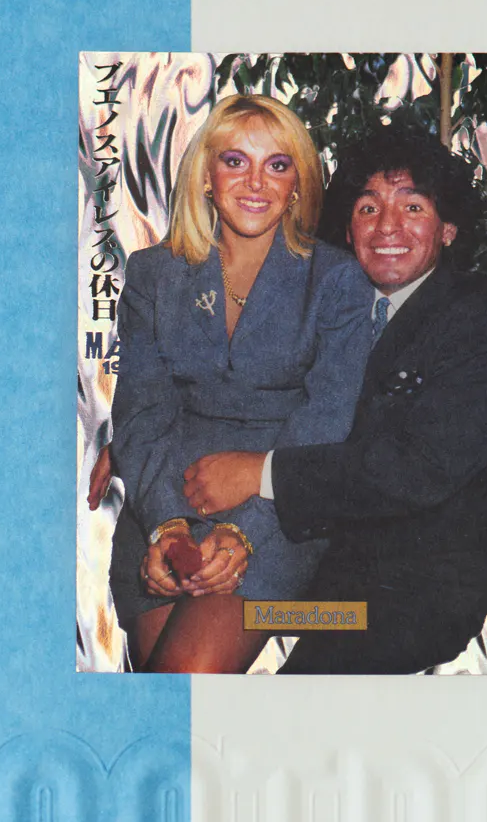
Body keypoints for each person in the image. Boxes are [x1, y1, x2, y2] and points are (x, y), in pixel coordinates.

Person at [182, 128, 487, 674]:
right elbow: (245, 394)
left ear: (448, 228)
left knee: (290, 701)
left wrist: (260, 473)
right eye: (368, 208)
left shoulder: (485, 322)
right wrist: (134, 442)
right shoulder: (333, 305)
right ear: (348, 228)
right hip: (306, 566)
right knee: (176, 626)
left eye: (412, 207)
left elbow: (417, 469)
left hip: (403, 597)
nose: (387, 226)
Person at [106, 93, 374, 673]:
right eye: (235, 161)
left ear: (297, 185)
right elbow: (142, 410)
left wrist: (244, 532)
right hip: (165, 504)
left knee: (183, 677)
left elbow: (328, 421)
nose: (256, 182)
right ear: (206, 176)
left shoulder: (338, 280)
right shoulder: (154, 274)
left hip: (276, 515)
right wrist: (165, 525)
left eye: (277, 165)